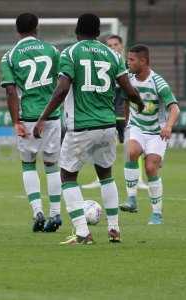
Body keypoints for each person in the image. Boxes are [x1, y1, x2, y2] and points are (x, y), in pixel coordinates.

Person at [33, 14, 144, 245]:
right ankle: (114, 230)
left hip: (81, 126)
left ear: (77, 31)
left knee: (67, 176)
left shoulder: (71, 53)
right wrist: (140, 103)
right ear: (98, 33)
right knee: (106, 175)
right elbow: (129, 90)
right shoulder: (113, 54)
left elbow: (63, 89)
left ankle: (83, 233)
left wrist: (43, 117)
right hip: (107, 126)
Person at [0, 13, 62, 232]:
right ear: (37, 28)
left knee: (28, 164)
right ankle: (55, 213)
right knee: (52, 165)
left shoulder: (9, 56)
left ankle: (37, 211)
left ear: (17, 31)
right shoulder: (53, 51)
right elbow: (62, 83)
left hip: (27, 117)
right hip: (52, 116)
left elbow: (10, 91)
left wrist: (15, 121)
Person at [119, 45, 180, 224]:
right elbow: (126, 101)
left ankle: (156, 213)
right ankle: (131, 199)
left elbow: (174, 109)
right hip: (137, 126)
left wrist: (168, 126)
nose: (128, 63)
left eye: (131, 60)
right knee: (131, 152)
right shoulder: (128, 78)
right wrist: (126, 123)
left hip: (156, 132)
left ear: (143, 61)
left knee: (150, 168)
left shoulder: (158, 82)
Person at [82, 34, 148, 190]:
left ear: (122, 46)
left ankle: (138, 179)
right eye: (109, 45)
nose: (112, 48)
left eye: (115, 45)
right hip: (107, 114)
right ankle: (99, 178)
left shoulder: (130, 67)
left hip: (126, 114)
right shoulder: (101, 66)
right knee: (100, 146)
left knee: (132, 147)